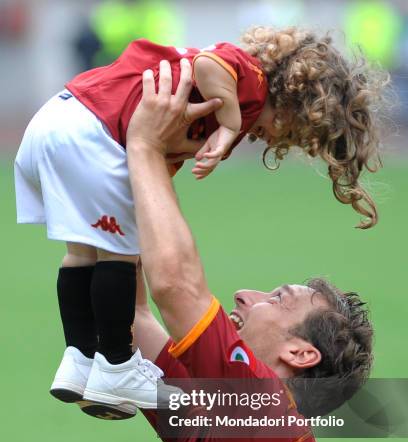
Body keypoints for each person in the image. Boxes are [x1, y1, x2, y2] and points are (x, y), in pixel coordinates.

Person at [14, 26, 383, 419]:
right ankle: (115, 365)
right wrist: (226, 124)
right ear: (292, 96)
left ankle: (80, 359)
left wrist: (155, 152)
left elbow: (139, 310)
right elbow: (210, 65)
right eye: (289, 132)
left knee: (84, 253)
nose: (272, 140)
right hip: (92, 131)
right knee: (117, 254)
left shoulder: (216, 410)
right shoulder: (251, 82)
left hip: (60, 121)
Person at [123, 60, 374, 442]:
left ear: (300, 353)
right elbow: (134, 316)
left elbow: (175, 289)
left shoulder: (266, 420)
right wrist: (140, 172)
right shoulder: (232, 424)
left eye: (276, 299)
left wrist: (143, 149)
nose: (245, 297)